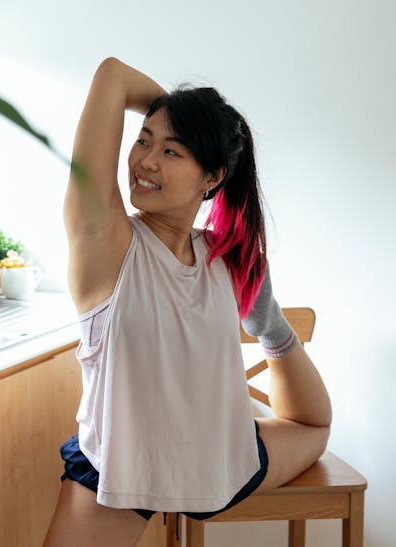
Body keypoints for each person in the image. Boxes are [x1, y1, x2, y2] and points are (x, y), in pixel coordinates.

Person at [43, 58, 332, 546]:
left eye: (172, 151)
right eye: (144, 140)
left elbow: (312, 422)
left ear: (211, 177)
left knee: (314, 428)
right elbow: (112, 75)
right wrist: (183, 113)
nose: (146, 162)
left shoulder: (223, 257)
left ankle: (269, 322)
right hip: (125, 471)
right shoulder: (105, 240)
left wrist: (270, 325)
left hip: (218, 460)